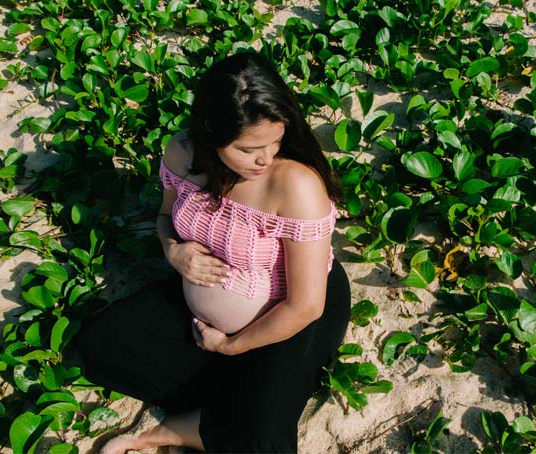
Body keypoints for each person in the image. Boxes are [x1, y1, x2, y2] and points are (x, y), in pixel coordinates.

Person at [76, 52, 351, 453]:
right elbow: (165, 216)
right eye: (248, 148)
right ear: (210, 132)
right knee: (100, 343)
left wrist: (230, 346)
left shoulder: (294, 184)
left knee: (263, 443)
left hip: (288, 316)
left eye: (275, 141)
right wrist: (173, 250)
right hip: (201, 308)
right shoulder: (182, 154)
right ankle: (232, 407)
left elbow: (305, 306)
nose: (265, 158)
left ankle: (191, 426)